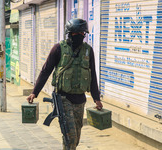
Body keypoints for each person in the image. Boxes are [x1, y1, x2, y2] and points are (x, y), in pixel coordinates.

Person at [27, 18, 103, 150]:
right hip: (63, 98)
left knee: (75, 138)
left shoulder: (88, 51)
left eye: (82, 33)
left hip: (80, 100)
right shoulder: (58, 49)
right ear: (69, 33)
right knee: (70, 137)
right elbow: (45, 71)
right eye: (75, 33)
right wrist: (35, 92)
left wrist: (97, 98)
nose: (79, 36)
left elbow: (93, 75)